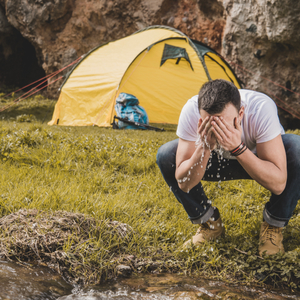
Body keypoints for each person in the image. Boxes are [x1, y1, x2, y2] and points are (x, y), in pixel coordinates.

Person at [156, 79, 300, 256]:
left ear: (241, 113)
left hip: (257, 158)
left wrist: (237, 147)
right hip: (212, 159)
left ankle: (273, 227)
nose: (218, 131)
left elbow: (278, 184)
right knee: (166, 154)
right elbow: (184, 183)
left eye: (224, 124)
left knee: (297, 148)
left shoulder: (261, 108)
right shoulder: (191, 110)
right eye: (210, 124)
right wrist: (204, 147)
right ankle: (210, 224)